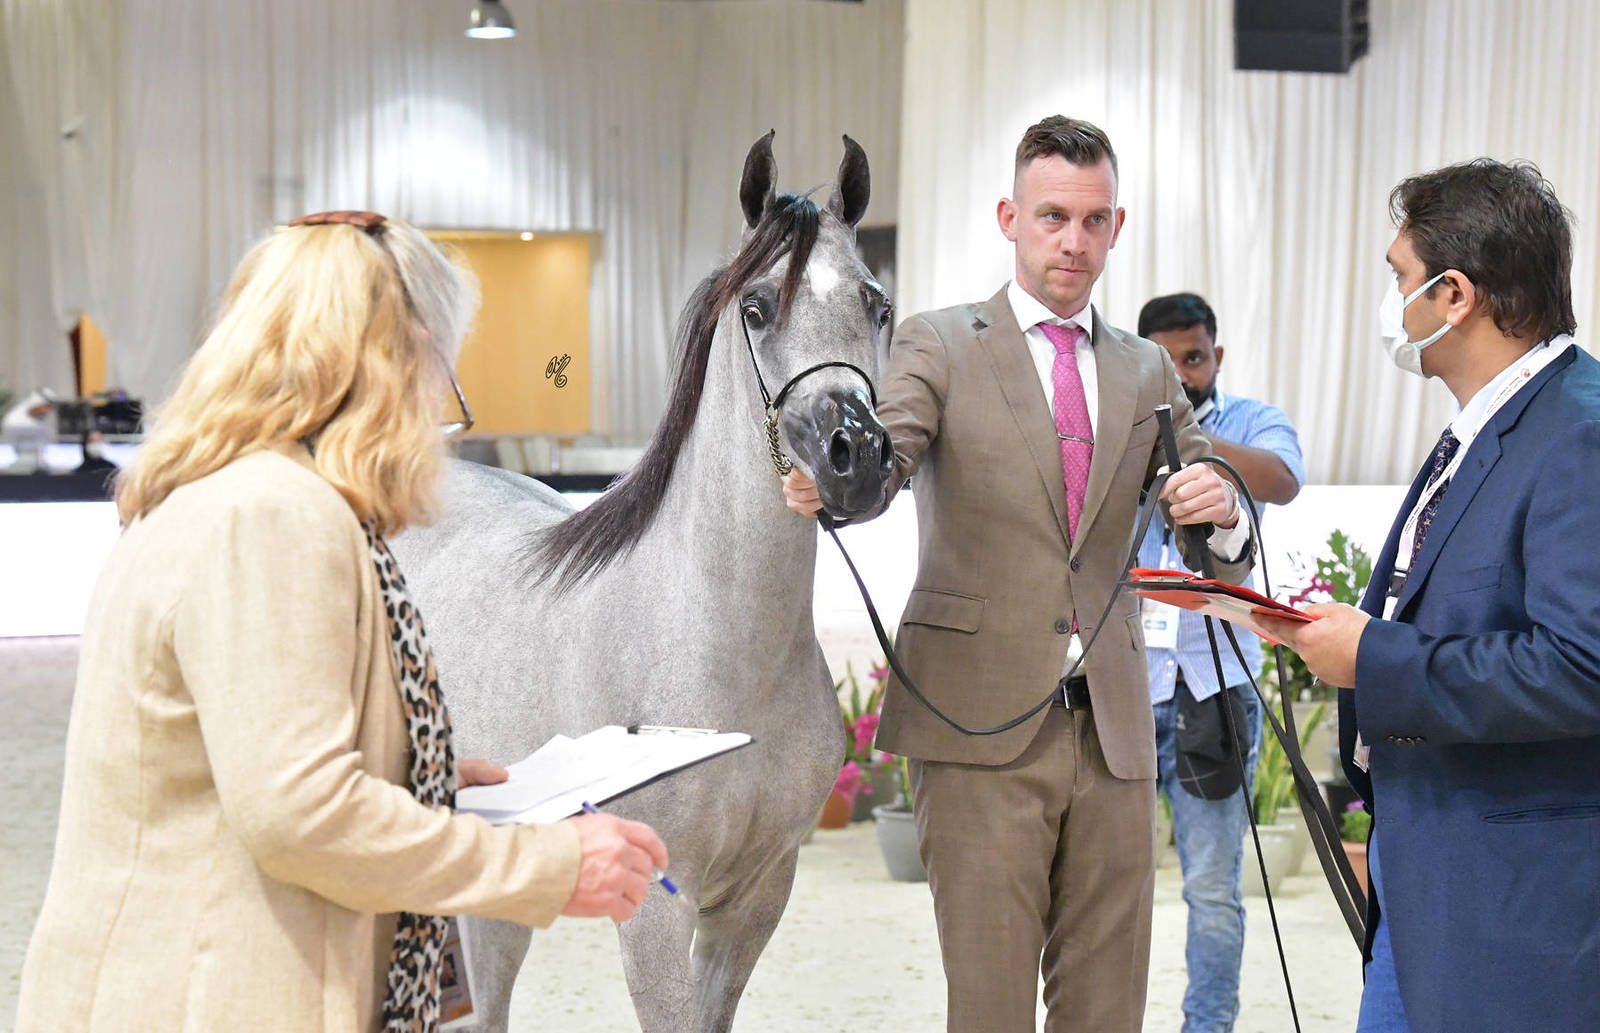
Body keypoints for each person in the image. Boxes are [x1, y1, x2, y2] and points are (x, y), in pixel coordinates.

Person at [15, 210, 669, 1033]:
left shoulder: (234, 497)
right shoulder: (272, 516)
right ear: (402, 359)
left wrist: (408, 772)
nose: (440, 419)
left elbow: (250, 763)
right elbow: (301, 815)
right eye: (445, 382)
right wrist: (543, 865)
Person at [785, 116, 1253, 1033]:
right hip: (977, 724)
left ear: (1117, 227)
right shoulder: (938, 343)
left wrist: (1223, 507)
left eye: (1092, 219)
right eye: (1051, 216)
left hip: (1117, 732)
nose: (1072, 241)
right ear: (1010, 216)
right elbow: (890, 454)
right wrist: (841, 480)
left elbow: (1207, 504)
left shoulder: (1149, 366)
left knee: (1109, 1010)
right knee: (990, 1008)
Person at [1259, 160, 1600, 1033]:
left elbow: (1581, 665)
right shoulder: (1488, 423)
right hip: (1430, 881)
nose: (1392, 302)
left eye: (1398, 278)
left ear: (1456, 296)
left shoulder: (1580, 432)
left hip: (1519, 910)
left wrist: (1372, 655)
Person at [1133, 292, 1304, 1033]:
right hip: (1126, 687)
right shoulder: (1119, 428)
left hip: (1216, 683)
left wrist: (1185, 436)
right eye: (1162, 362)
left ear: (1216, 356)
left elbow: (1282, 480)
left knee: (1210, 886)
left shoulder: (1251, 421)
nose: (1180, 371)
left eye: (1192, 359)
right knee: (1106, 883)